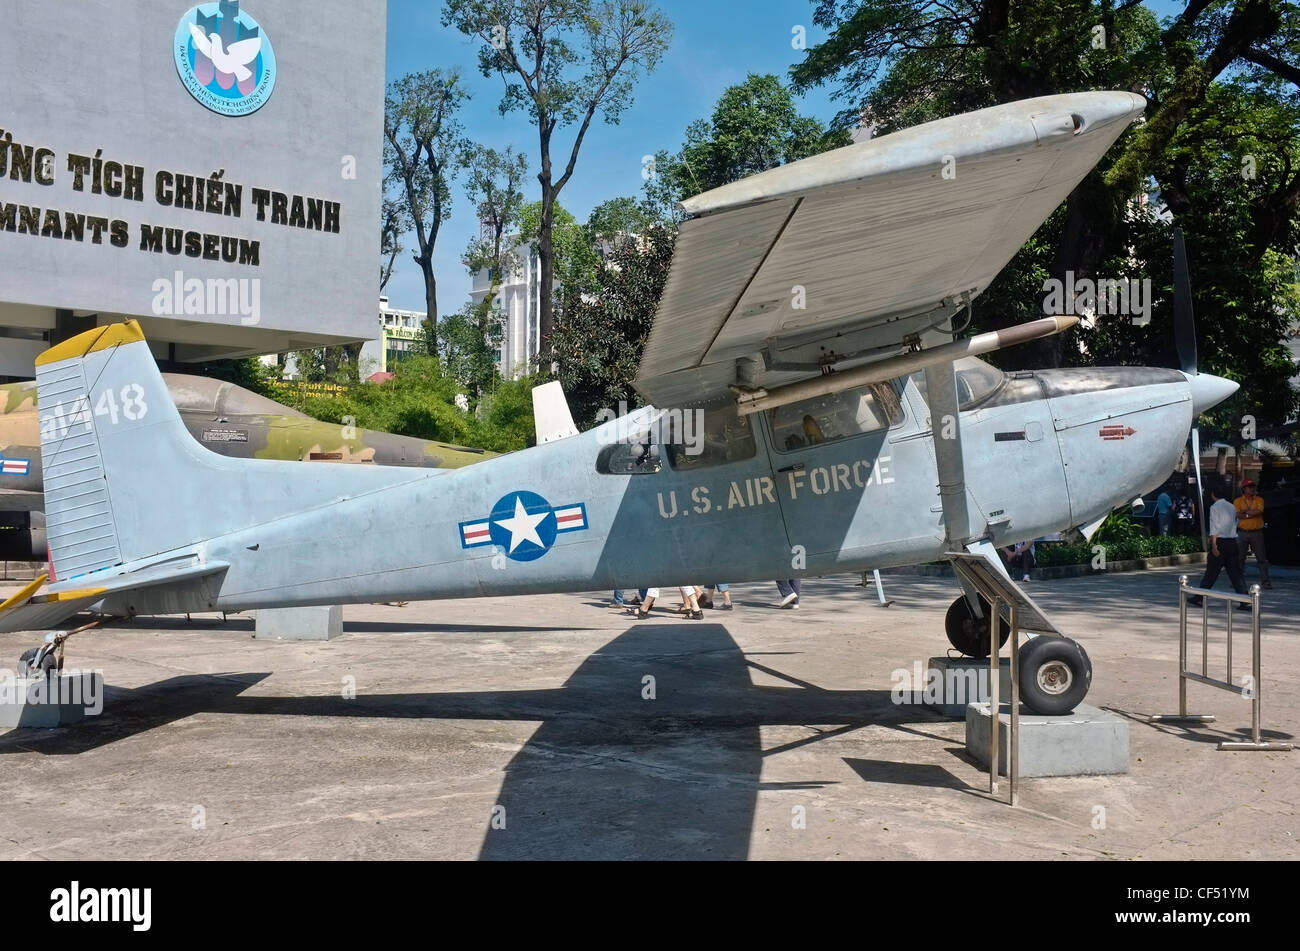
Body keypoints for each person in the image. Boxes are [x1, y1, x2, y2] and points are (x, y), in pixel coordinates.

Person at [1190, 484, 1249, 609]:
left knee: (1211, 573)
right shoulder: (1232, 506)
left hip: (1220, 542)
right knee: (1236, 574)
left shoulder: (1214, 507)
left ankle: (1200, 597)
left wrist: (1214, 545)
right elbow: (1235, 523)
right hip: (1232, 541)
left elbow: (1215, 527)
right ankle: (1245, 600)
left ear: (1213, 494)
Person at [1234, 480, 1272, 589]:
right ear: (1244, 489)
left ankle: (1265, 581)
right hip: (1242, 532)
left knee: (1261, 558)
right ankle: (1237, 581)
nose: (1252, 489)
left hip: (1257, 533)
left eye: (1253, 486)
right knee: (1240, 558)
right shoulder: (1238, 501)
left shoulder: (1259, 499)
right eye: (1249, 487)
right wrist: (1250, 513)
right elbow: (1237, 514)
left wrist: (1245, 512)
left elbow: (1259, 511)